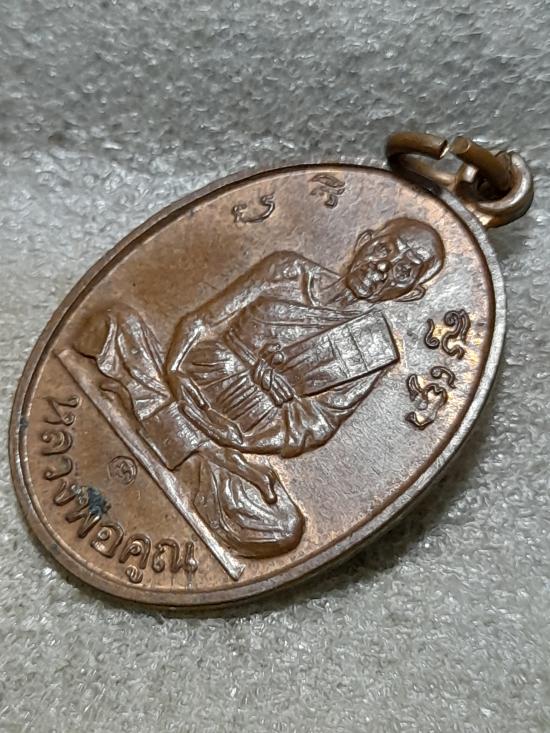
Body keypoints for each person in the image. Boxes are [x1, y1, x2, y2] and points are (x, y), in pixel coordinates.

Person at [76, 217, 445, 558]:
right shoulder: (287, 270)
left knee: (282, 529)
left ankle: (166, 426)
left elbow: (314, 424)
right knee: (112, 324)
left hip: (235, 429)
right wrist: (174, 373)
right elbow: (203, 321)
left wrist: (236, 436)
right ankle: (180, 437)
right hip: (188, 380)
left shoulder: (371, 349)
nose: (381, 269)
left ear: (409, 293)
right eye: (383, 250)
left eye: (403, 271)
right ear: (364, 241)